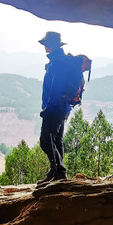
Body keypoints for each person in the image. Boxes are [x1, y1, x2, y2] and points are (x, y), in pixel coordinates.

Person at [37, 31, 72, 184]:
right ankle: (55, 171)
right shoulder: (58, 60)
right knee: (56, 141)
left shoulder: (57, 62)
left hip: (55, 108)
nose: (44, 47)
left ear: (50, 45)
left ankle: (59, 172)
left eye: (46, 44)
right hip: (62, 107)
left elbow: (56, 87)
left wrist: (48, 108)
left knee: (46, 141)